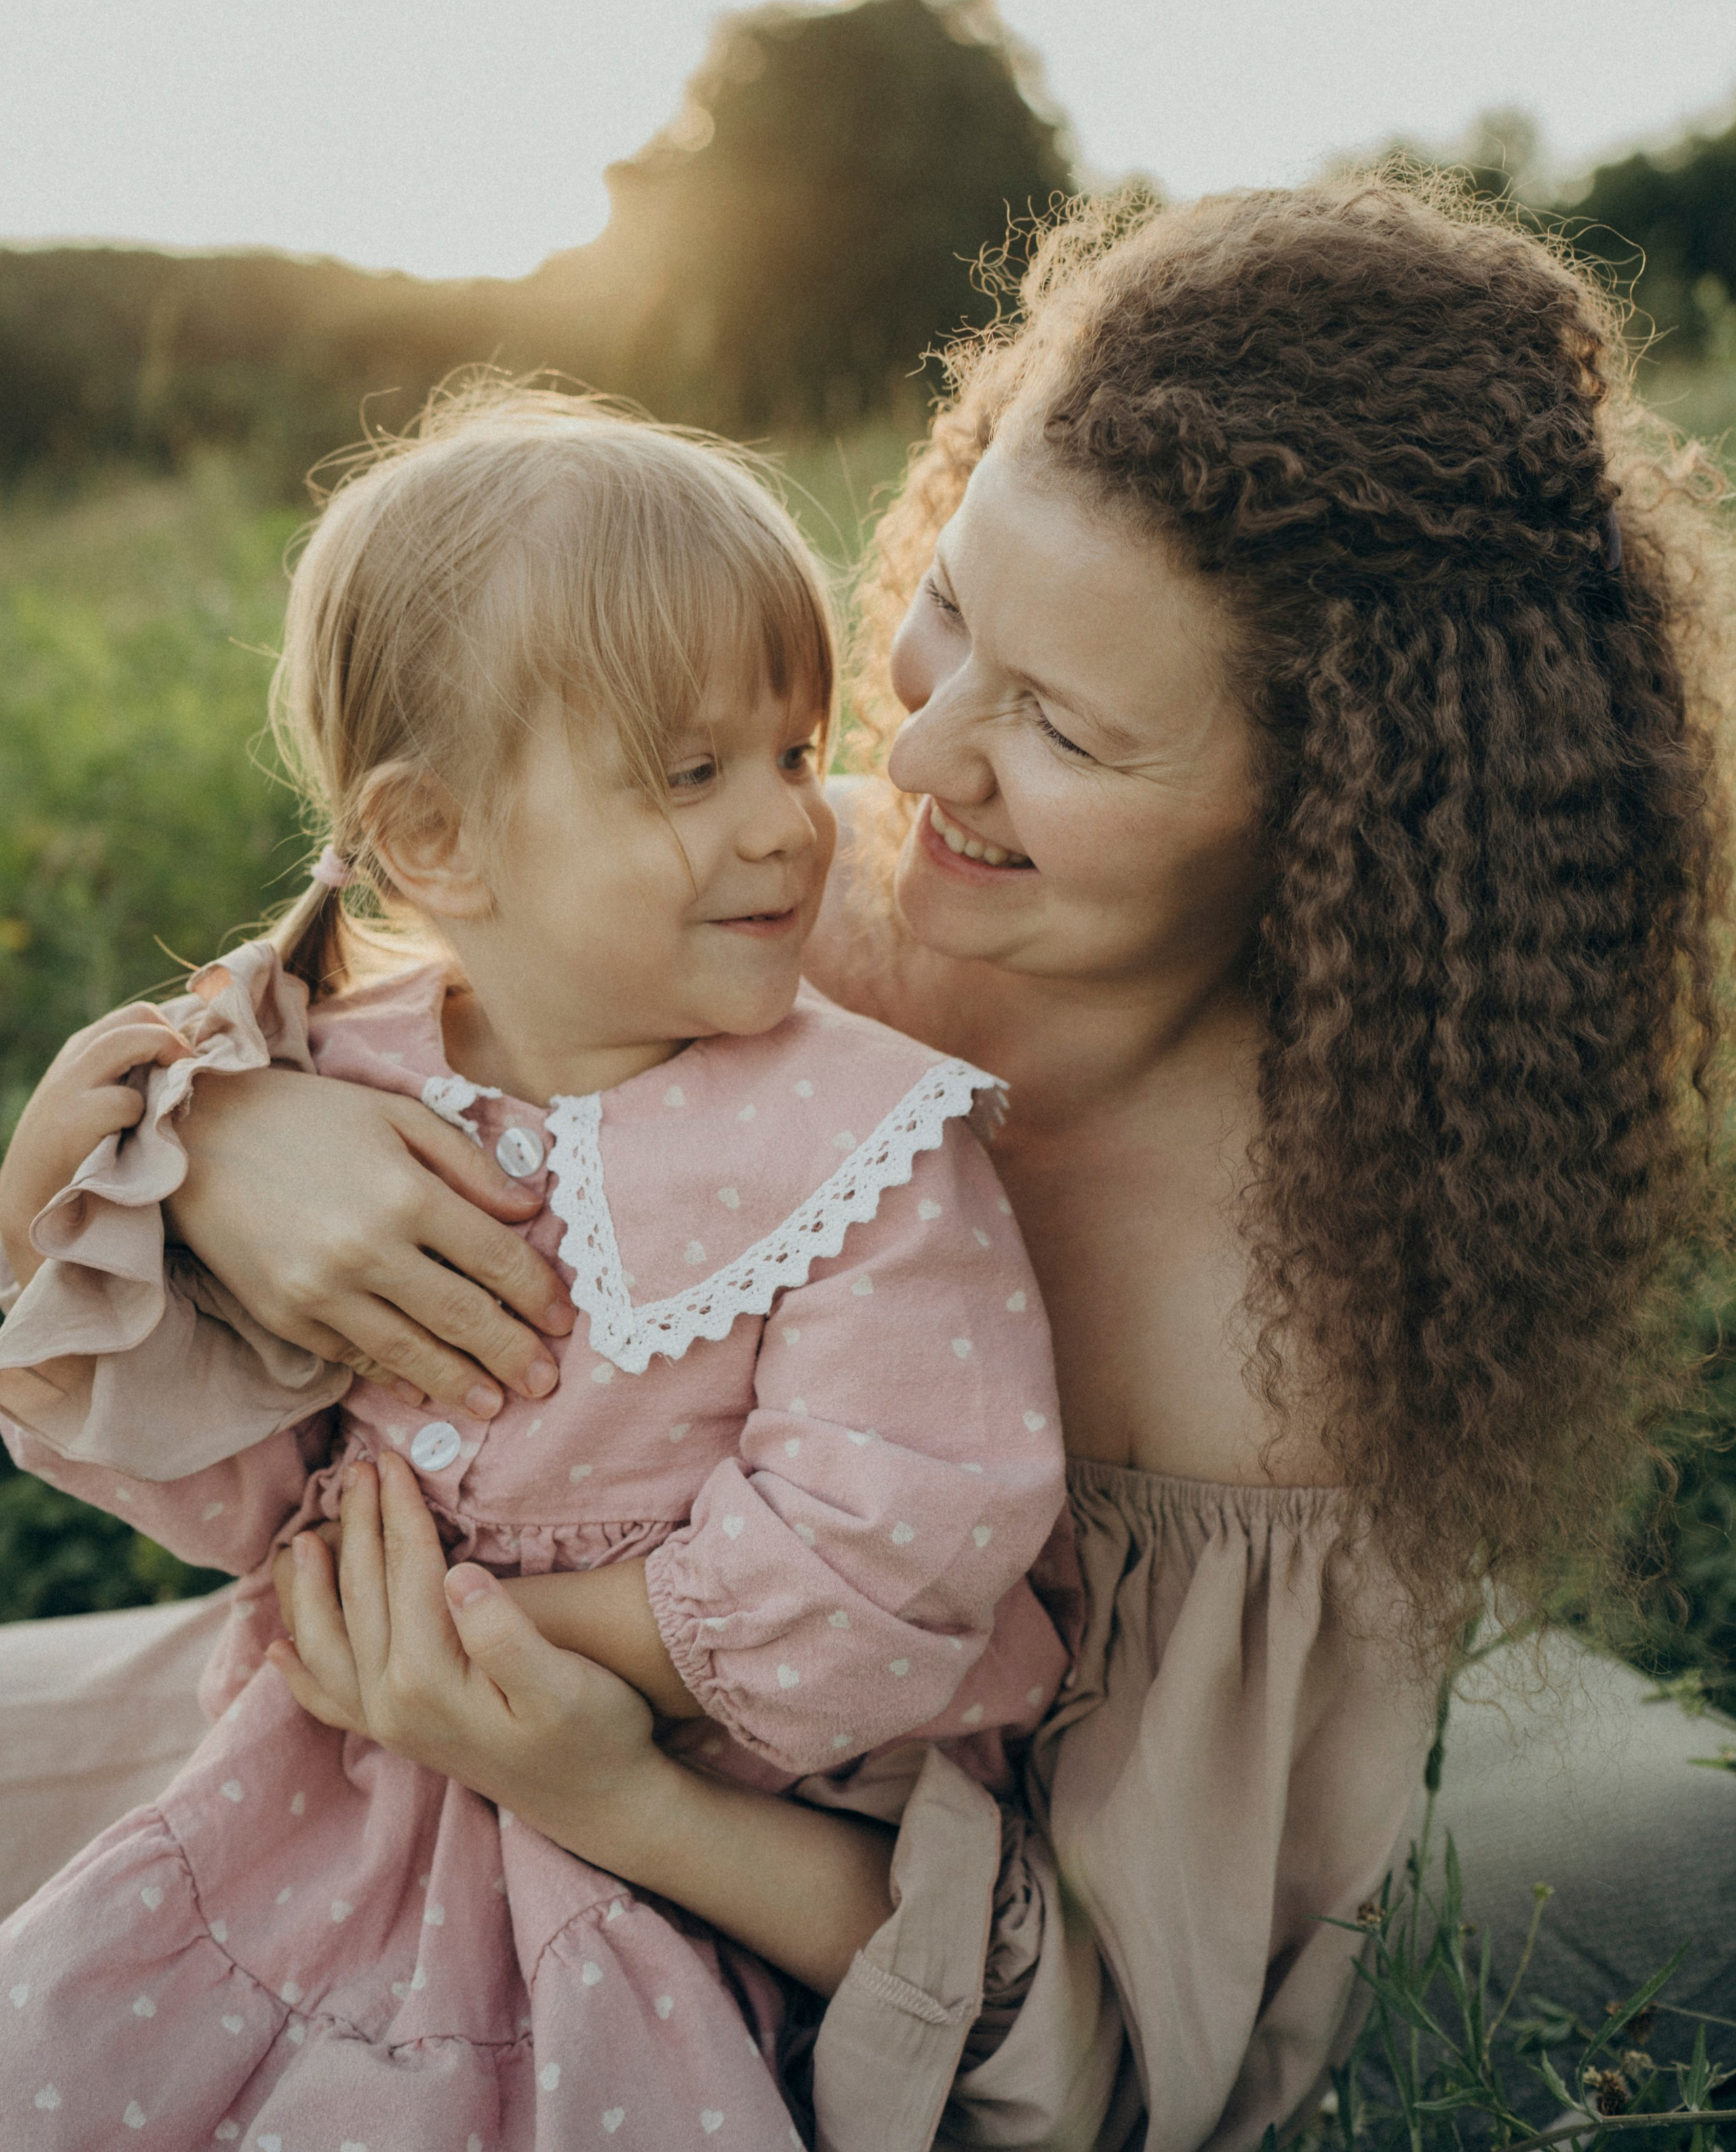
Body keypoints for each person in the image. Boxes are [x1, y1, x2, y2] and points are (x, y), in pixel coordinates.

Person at [5, 176, 1736, 2151]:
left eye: (1067, 731)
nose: (905, 773)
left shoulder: (1279, 1339)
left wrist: (616, 1789)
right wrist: (223, 1136)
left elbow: (1099, 2050)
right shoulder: (773, 899)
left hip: (696, 1919)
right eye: (948, 619)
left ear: (1341, 817)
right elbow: (413, 908)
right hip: (322, 1747)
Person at [0, 394, 1073, 2148]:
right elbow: (237, 1480)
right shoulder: (336, 1079)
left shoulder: (863, 1136)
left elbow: (893, 1536)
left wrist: (453, 1638)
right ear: (433, 842)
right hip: (337, 1788)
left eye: (796, 752)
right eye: (688, 772)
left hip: (674, 1825)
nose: (791, 826)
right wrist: (68, 1176)